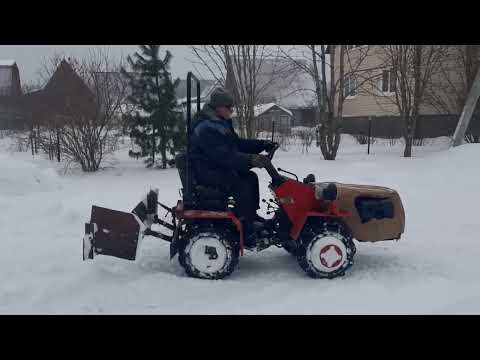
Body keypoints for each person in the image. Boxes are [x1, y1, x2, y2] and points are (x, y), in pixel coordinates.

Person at [190, 87, 277, 244]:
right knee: (240, 182)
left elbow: (236, 144)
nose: (231, 110)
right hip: (207, 171)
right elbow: (224, 156)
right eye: (228, 107)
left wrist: (261, 145)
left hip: (214, 166)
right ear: (218, 107)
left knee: (250, 177)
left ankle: (250, 215)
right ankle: (246, 226)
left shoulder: (219, 123)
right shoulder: (206, 128)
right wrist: (251, 160)